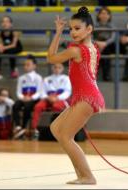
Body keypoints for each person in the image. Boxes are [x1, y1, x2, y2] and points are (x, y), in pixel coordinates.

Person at [47, 7, 105, 184]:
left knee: (65, 136)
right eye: (70, 29)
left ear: (89, 29)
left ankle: (87, 176)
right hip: (86, 96)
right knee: (56, 128)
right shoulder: (93, 47)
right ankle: (81, 174)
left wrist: (57, 33)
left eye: (77, 28)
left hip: (86, 97)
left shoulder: (76, 51)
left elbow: (51, 58)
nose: (72, 32)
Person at [30, 63, 71, 140]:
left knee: (56, 107)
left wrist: (57, 98)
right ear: (52, 68)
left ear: (62, 69)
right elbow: (42, 91)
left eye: (59, 67)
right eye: (55, 67)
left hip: (60, 99)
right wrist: (47, 97)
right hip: (48, 98)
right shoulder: (46, 79)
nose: (57, 69)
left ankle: (57, 130)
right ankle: (34, 129)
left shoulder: (66, 78)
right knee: (37, 106)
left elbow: (67, 92)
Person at [12, 55, 42, 140]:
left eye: (28, 64)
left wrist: (31, 98)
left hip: (34, 99)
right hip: (24, 98)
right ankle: (18, 126)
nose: (26, 66)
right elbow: (18, 92)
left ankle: (24, 127)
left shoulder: (38, 78)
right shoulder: (21, 78)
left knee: (27, 106)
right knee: (16, 105)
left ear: (34, 66)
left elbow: (39, 92)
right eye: (25, 64)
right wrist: (22, 97)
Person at [0, 16, 23, 81]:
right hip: (6, 47)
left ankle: (13, 70)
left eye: (7, 21)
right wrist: (0, 48)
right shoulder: (0, 32)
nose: (5, 23)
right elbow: (1, 43)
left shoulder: (14, 32)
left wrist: (3, 48)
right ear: (1, 24)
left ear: (11, 24)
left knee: (11, 52)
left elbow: (14, 45)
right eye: (3, 22)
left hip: (16, 47)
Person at [93, 7, 115, 81]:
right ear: (98, 15)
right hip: (96, 44)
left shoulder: (112, 26)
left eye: (106, 14)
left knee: (106, 50)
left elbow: (113, 38)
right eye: (102, 13)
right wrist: (98, 43)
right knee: (95, 50)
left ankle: (106, 75)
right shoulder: (94, 26)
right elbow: (90, 37)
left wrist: (105, 43)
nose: (104, 15)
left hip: (108, 45)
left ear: (109, 16)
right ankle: (94, 75)